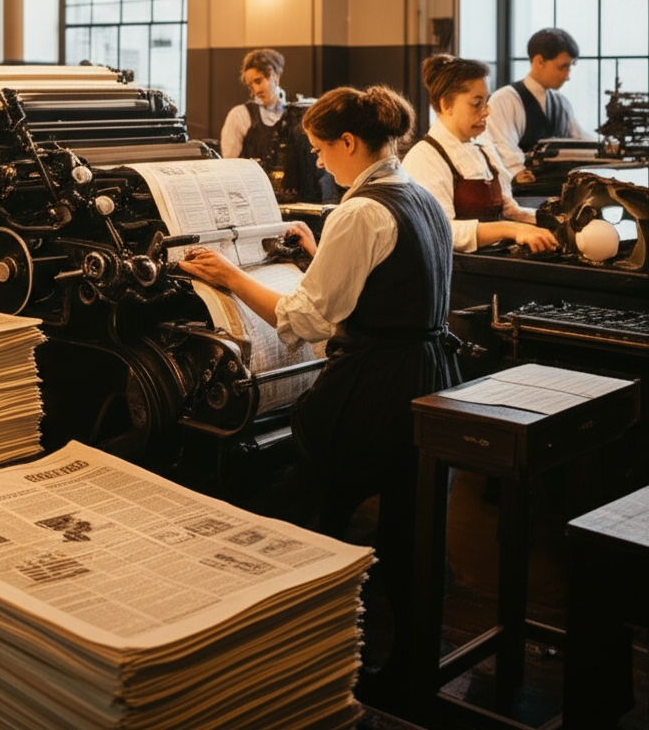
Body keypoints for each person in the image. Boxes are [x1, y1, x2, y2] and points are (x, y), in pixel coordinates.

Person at [182, 84, 456, 700]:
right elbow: (387, 289)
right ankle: (407, 664)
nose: (319, 161)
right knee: (408, 528)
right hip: (429, 373)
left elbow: (307, 322)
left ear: (350, 142)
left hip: (374, 389)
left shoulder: (360, 213)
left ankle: (277, 648)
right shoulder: (418, 195)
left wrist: (229, 276)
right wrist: (320, 252)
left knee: (299, 505)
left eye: (320, 149)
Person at [403, 54, 559, 254]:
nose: (486, 112)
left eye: (486, 102)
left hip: (492, 259)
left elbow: (510, 211)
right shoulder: (425, 159)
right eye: (477, 104)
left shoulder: (482, 149)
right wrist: (512, 230)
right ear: (446, 105)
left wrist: (556, 218)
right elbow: (442, 230)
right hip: (457, 272)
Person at [219, 48, 336, 202]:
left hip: (302, 199)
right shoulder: (240, 115)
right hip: (257, 198)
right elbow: (230, 165)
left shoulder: (299, 111)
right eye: (250, 85)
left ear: (275, 76)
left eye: (258, 81)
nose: (255, 90)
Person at [482, 27, 592, 184]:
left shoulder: (562, 103)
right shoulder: (506, 99)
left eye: (570, 67)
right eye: (563, 67)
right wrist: (518, 171)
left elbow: (581, 141)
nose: (567, 76)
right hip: (524, 191)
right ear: (539, 61)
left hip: (559, 187)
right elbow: (502, 147)